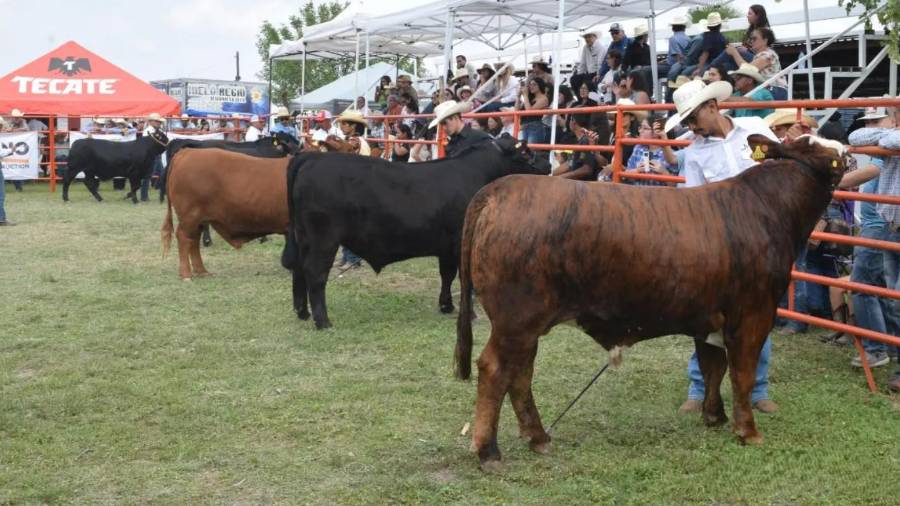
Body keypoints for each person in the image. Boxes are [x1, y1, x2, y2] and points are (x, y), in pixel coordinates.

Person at [662, 79, 780, 413]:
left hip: (761, 240)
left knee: (758, 315)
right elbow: (694, 205)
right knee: (706, 316)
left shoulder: (754, 130)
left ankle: (758, 390)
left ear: (712, 107)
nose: (690, 126)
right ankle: (699, 388)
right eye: (685, 121)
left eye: (692, 118)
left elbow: (778, 169)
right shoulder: (695, 153)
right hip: (722, 246)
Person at [841, 105, 900, 388]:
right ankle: (887, 348)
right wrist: (886, 132)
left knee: (868, 285)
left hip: (880, 222)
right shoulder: (883, 140)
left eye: (879, 119)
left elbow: (871, 166)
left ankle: (878, 348)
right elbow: (856, 137)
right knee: (886, 292)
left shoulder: (884, 146)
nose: (872, 125)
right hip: (886, 222)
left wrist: (832, 184)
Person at [723, 27, 787, 100]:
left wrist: (734, 53)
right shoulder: (762, 55)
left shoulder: (768, 55)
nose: (751, 41)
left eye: (754, 39)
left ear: (765, 40)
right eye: (750, 39)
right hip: (769, 89)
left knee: (741, 99)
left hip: (775, 89)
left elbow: (748, 69)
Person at [709, 4, 771, 73]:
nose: (747, 16)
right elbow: (746, 44)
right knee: (728, 65)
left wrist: (745, 49)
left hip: (756, 57)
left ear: (757, 16)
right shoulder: (751, 29)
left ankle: (711, 67)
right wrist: (743, 48)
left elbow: (763, 48)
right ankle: (714, 71)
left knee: (734, 51)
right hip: (747, 55)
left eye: (750, 14)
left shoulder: (764, 31)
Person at [428, 100, 492, 157]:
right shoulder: (450, 145)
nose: (444, 128)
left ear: (455, 117)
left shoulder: (480, 138)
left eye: (445, 123)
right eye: (441, 124)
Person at [625, 114, 676, 186]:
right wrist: (637, 171)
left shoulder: (670, 154)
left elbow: (675, 185)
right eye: (640, 127)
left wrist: (663, 172)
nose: (640, 131)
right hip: (637, 194)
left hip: (660, 195)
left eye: (645, 128)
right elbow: (625, 176)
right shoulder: (638, 148)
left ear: (656, 132)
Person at [551, 114, 600, 180]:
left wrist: (559, 178)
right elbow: (569, 164)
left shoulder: (587, 140)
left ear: (573, 121)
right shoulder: (582, 140)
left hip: (582, 184)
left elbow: (586, 169)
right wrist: (550, 175)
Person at [684, 12, 727, 79]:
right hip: (721, 63)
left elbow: (705, 54)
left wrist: (699, 68)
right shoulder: (722, 37)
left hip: (711, 64)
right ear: (720, 25)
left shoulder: (708, 36)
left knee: (686, 72)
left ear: (708, 26)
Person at [516, 77, 550, 145]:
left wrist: (525, 95)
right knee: (521, 150)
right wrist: (518, 97)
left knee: (531, 151)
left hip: (535, 127)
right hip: (523, 127)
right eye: (530, 85)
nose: (531, 86)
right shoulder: (529, 99)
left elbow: (529, 111)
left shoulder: (543, 99)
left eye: (534, 84)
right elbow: (516, 111)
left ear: (540, 85)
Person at [659, 16, 691, 80]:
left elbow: (678, 56)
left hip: (673, 66)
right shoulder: (688, 38)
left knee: (652, 70)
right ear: (684, 28)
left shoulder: (672, 38)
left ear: (673, 28)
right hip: (686, 64)